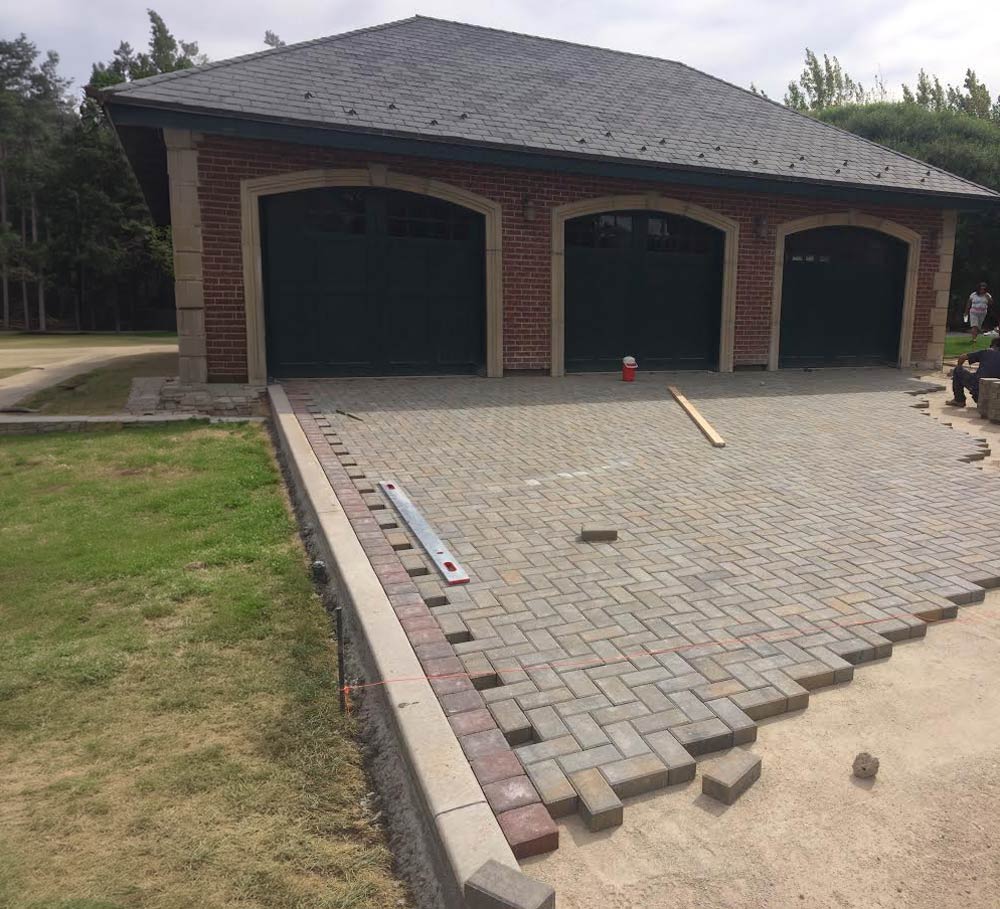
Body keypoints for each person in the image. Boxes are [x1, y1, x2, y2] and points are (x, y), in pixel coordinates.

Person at [947, 336, 1000, 407]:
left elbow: (962, 357)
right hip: (995, 398)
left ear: (992, 345)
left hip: (978, 393)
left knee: (957, 370)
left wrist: (959, 367)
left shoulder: (986, 351)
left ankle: (959, 400)